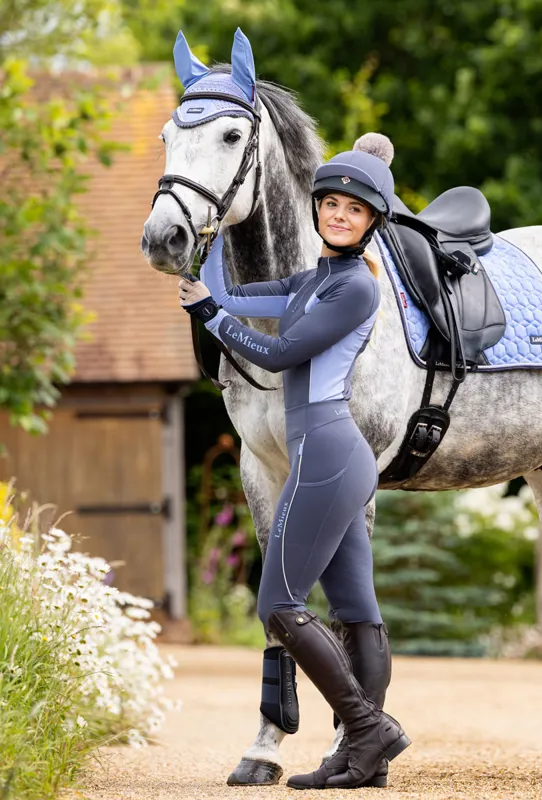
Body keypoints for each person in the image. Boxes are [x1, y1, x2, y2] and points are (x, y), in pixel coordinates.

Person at [177, 133, 409, 790]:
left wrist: (212, 321)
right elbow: (244, 298)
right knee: (356, 609)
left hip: (330, 453)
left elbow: (279, 355)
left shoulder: (356, 290)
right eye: (331, 203)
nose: (339, 214)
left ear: (370, 224)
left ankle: (367, 727)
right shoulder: (314, 280)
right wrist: (209, 240)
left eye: (354, 210)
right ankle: (362, 758)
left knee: (278, 603)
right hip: (331, 455)